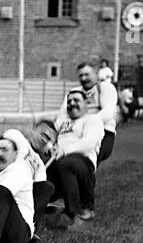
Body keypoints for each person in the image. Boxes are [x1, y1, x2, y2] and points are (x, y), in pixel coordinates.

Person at [43, 89, 105, 226]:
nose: (72, 103)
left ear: (86, 103)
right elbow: (49, 136)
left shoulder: (92, 120)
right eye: (69, 101)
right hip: (59, 160)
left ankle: (77, 212)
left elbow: (88, 143)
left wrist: (64, 150)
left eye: (76, 100)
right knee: (39, 171)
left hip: (82, 163)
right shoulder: (63, 122)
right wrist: (49, 146)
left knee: (67, 164)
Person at [49, 61, 119, 163]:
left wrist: (89, 122)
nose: (83, 78)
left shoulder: (105, 88)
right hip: (76, 131)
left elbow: (108, 112)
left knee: (88, 158)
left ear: (95, 74)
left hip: (104, 132)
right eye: (81, 75)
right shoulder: (74, 92)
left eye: (87, 74)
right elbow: (63, 115)